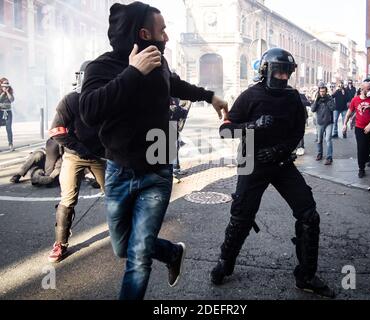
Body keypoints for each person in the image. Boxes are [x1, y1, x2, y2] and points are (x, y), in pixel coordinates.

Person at [79, 2, 228, 300]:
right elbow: (88, 111)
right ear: (144, 34)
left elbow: (173, 84)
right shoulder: (101, 67)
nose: (167, 38)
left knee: (138, 257)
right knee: (122, 247)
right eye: (162, 32)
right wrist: (132, 73)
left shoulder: (160, 65)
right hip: (119, 171)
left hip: (158, 171)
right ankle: (171, 253)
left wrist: (209, 96)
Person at [211, 48, 335, 299]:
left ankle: (306, 276)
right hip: (251, 161)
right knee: (241, 216)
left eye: (286, 72)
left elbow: (298, 132)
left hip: (281, 162)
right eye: (278, 71)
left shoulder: (293, 98)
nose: (282, 77)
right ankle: (226, 260)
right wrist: (251, 126)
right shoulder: (249, 96)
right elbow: (226, 131)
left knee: (309, 214)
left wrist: (280, 149)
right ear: (266, 70)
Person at [47, 62, 106, 263]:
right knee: (68, 200)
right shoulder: (71, 100)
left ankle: (127, 231)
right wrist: (81, 148)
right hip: (74, 156)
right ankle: (60, 244)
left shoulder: (104, 99)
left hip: (99, 156)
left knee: (115, 194)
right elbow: (56, 131)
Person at [343, 81, 370, 178]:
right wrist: (344, 124)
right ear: (362, 89)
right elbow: (349, 112)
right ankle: (361, 169)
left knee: (368, 146)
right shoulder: (355, 100)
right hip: (359, 128)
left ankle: (366, 157)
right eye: (368, 89)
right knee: (361, 148)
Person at [311, 86, 335, 165]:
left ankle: (329, 158)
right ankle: (319, 154)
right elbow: (312, 109)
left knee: (328, 140)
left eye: (323, 91)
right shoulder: (317, 99)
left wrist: (328, 101)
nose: (322, 93)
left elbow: (333, 108)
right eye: (321, 91)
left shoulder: (329, 98)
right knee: (319, 140)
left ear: (326, 91)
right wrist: (316, 100)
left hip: (329, 122)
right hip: (320, 122)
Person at [0, 78, 15, 151]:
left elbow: (12, 100)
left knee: (8, 128)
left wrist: (7, 92)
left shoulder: (10, 92)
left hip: (8, 112)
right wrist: (3, 93)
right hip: (0, 112)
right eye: (4, 84)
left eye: (7, 84)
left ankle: (10, 144)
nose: (5, 86)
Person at [295, 92, 310, 156]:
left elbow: (308, 103)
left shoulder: (301, 96)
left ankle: (301, 147)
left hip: (302, 117)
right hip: (293, 117)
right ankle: (297, 146)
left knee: (300, 133)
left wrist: (299, 100)